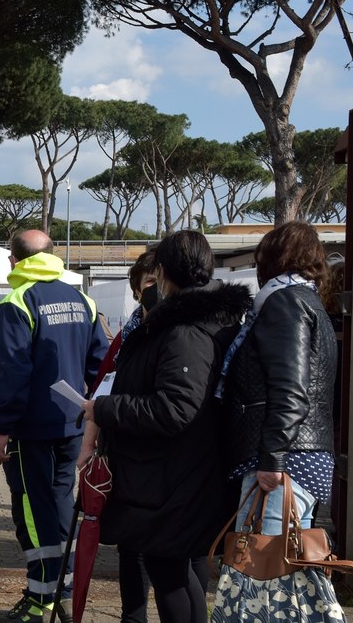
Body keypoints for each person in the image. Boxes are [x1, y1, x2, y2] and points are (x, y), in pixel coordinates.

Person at [81, 230, 250, 623]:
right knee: (172, 571)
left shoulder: (184, 330)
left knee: (169, 573)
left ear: (164, 272)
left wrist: (106, 408)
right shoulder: (197, 320)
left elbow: (176, 407)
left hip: (173, 476)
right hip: (175, 472)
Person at [0, 230, 108, 623]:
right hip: (71, 427)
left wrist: (2, 428)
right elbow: (100, 367)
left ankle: (41, 601)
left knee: (33, 514)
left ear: (13, 261)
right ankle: (63, 590)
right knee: (58, 508)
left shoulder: (17, 301)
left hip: (30, 431)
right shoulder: (82, 299)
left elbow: (12, 373)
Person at [219, 220, 338, 540]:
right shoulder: (310, 302)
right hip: (303, 453)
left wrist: (273, 457)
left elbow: (290, 389)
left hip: (285, 460)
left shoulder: (285, 302)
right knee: (284, 565)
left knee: (263, 567)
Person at [84, 248, 158, 623]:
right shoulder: (127, 334)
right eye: (148, 284)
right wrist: (90, 438)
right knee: (132, 548)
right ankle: (134, 616)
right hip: (127, 456)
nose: (156, 290)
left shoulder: (176, 332)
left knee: (177, 559)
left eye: (160, 282)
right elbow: (103, 384)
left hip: (164, 458)